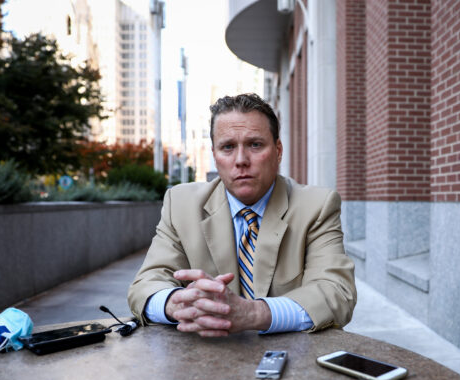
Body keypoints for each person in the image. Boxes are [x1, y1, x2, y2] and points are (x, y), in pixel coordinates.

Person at [128, 93, 355, 337]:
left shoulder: (317, 206)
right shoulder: (181, 203)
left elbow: (336, 293)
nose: (241, 161)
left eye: (255, 145)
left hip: (289, 357)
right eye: (227, 147)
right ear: (214, 154)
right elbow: (145, 284)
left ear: (278, 151)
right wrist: (178, 303)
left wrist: (252, 314)